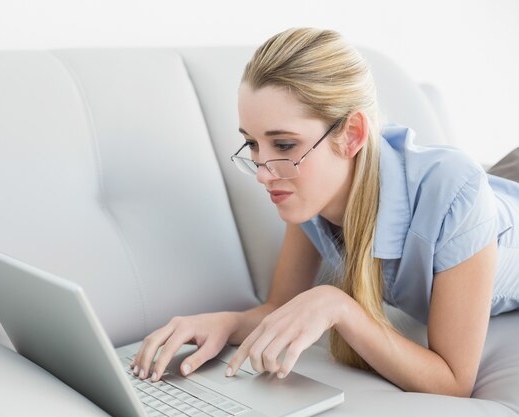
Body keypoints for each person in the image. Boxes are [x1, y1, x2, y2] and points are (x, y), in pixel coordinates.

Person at [130, 27, 519, 397]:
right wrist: (222, 322)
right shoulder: (310, 196)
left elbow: (453, 382)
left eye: (283, 144)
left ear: (351, 135)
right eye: (252, 144)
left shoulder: (452, 192)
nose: (263, 174)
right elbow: (278, 307)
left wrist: (340, 307)